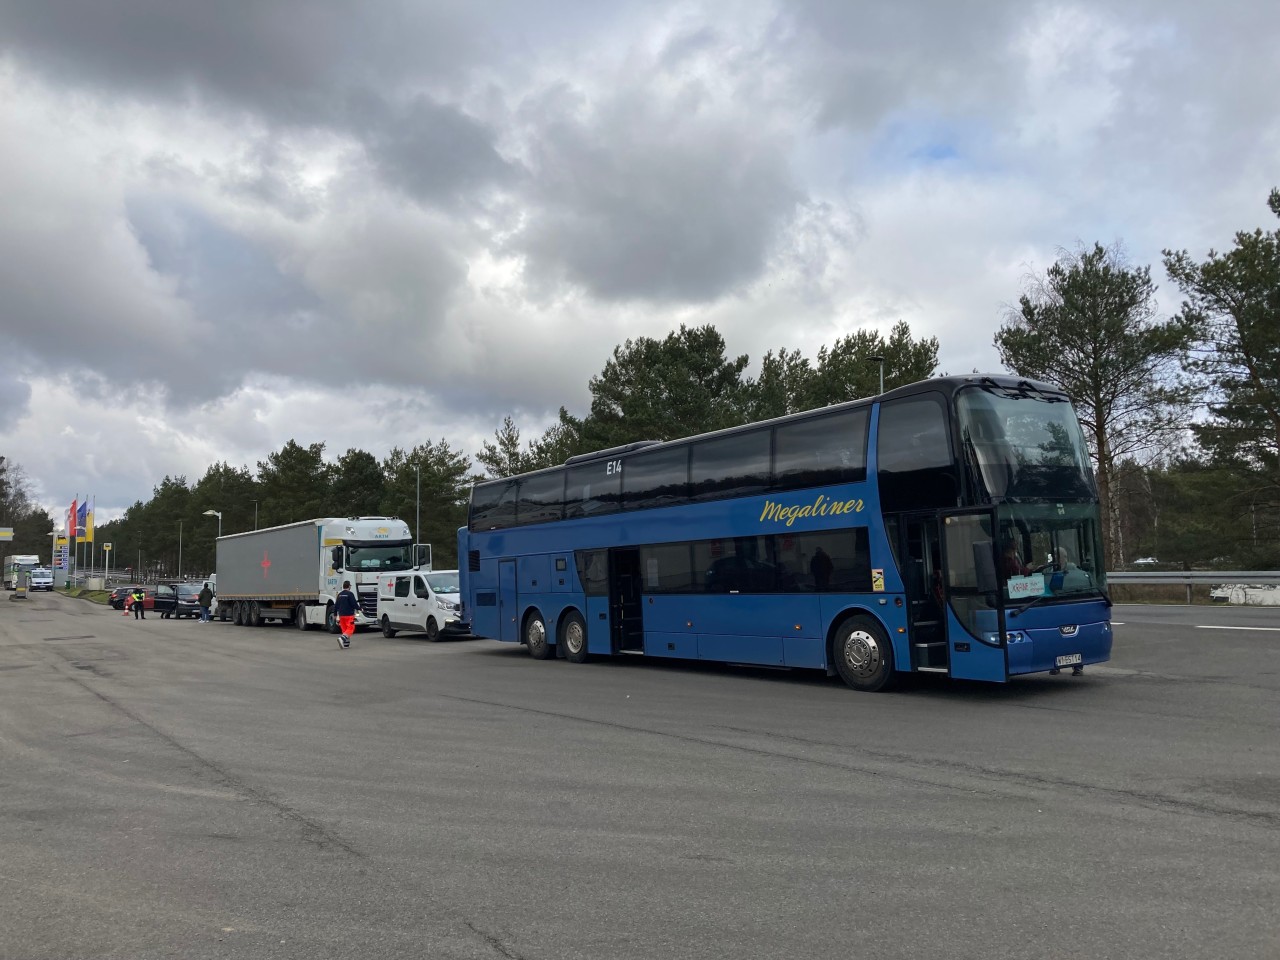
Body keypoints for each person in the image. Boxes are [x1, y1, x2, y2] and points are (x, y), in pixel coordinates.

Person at [334, 580, 359, 649]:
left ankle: (345, 645)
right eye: (350, 585)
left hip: (341, 615)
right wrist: (359, 608)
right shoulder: (350, 594)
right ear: (349, 586)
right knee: (351, 628)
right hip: (349, 615)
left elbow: (336, 605)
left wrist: (335, 614)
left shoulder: (340, 594)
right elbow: (354, 604)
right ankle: (342, 638)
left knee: (345, 630)